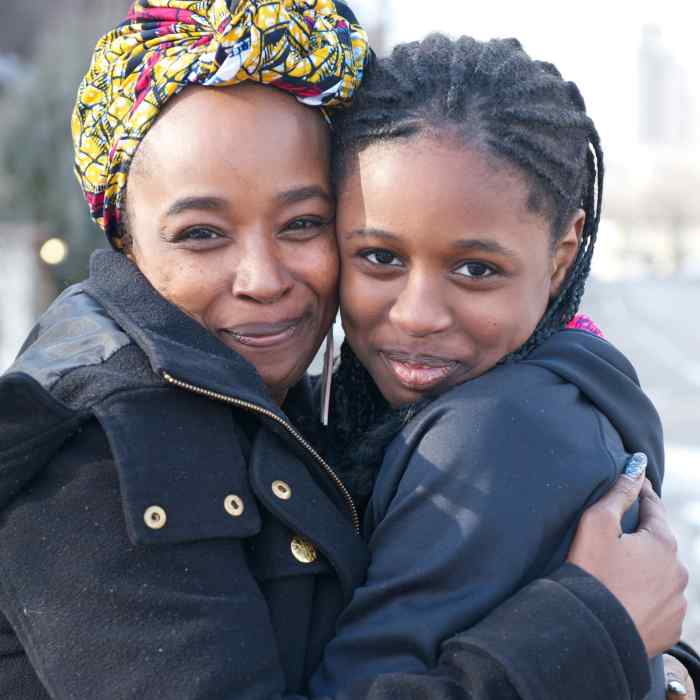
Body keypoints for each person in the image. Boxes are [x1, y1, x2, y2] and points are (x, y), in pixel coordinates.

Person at [0, 2, 688, 699]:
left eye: (303, 223)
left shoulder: (271, 395)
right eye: (202, 234)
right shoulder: (101, 452)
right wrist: (594, 631)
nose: (264, 280)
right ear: (124, 235)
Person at [311, 33, 693, 699]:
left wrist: (592, 630)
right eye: (379, 257)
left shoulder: (494, 434)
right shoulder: (566, 383)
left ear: (561, 256)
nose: (419, 313)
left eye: (475, 269)